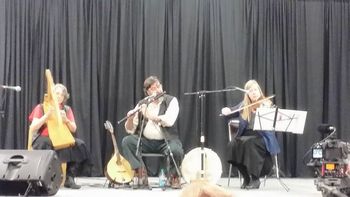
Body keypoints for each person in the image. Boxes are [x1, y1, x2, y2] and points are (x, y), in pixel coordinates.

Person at [122, 76, 184, 189]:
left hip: (167, 141)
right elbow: (130, 129)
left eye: (158, 86)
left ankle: (174, 177)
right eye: (153, 88)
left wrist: (149, 115)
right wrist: (130, 118)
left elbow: (169, 120)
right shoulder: (142, 103)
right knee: (127, 141)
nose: (158, 90)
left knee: (176, 150)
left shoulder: (171, 101)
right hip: (146, 141)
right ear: (148, 92)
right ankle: (140, 173)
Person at [28, 83, 91, 189]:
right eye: (56, 93)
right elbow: (33, 127)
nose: (59, 96)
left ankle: (69, 178)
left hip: (61, 137)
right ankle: (44, 179)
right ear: (52, 94)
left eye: (62, 95)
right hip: (44, 137)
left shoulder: (66, 109)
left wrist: (66, 120)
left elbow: (74, 128)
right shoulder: (41, 107)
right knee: (45, 143)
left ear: (64, 98)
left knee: (79, 145)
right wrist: (46, 116)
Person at [221, 80, 280, 189]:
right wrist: (226, 110)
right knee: (232, 145)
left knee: (250, 143)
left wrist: (264, 110)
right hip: (246, 136)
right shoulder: (244, 105)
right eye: (251, 90)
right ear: (246, 93)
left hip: (262, 137)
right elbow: (230, 111)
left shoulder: (267, 103)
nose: (254, 92)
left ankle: (255, 179)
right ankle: (246, 177)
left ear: (259, 90)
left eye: (256, 90)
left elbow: (275, 120)